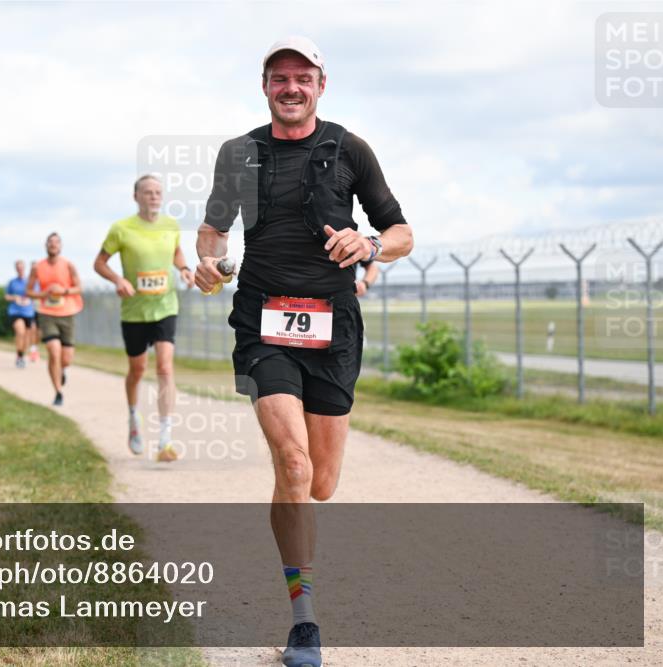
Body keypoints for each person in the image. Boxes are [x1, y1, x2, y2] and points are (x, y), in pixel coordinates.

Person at [194, 36, 413, 667]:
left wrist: (370, 245)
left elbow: (402, 231)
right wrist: (209, 261)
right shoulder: (239, 153)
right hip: (263, 321)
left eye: (303, 77)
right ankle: (304, 622)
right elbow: (214, 229)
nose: (291, 87)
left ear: (321, 84)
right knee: (292, 464)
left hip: (333, 327)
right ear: (265, 87)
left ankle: (299, 532)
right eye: (279, 77)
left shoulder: (349, 148)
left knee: (320, 483)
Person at [94, 175, 194, 462]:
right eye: (148, 192)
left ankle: (165, 439)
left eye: (158, 192)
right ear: (135, 196)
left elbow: (176, 252)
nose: (154, 196)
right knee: (137, 370)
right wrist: (118, 280)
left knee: (164, 367)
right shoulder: (121, 229)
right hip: (135, 311)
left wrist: (184, 269)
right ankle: (133, 416)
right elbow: (99, 263)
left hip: (165, 306)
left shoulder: (171, 226)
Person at [28, 233, 83, 406]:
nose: (53, 245)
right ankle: (58, 392)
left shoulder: (68, 265)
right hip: (47, 313)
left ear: (61, 246)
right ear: (45, 245)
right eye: (50, 242)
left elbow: (79, 288)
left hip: (67, 312)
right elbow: (29, 291)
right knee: (53, 351)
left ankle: (63, 369)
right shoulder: (37, 267)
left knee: (66, 358)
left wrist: (63, 291)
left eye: (56, 242)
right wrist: (43, 294)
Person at [5, 260, 38, 368]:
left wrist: (29, 297)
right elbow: (6, 296)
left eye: (21, 267)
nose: (20, 269)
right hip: (15, 311)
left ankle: (21, 354)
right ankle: (19, 357)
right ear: (16, 269)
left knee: (26, 338)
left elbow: (37, 294)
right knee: (20, 332)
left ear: (24, 268)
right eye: (18, 267)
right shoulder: (12, 282)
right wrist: (15, 297)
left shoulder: (31, 281)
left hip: (28, 312)